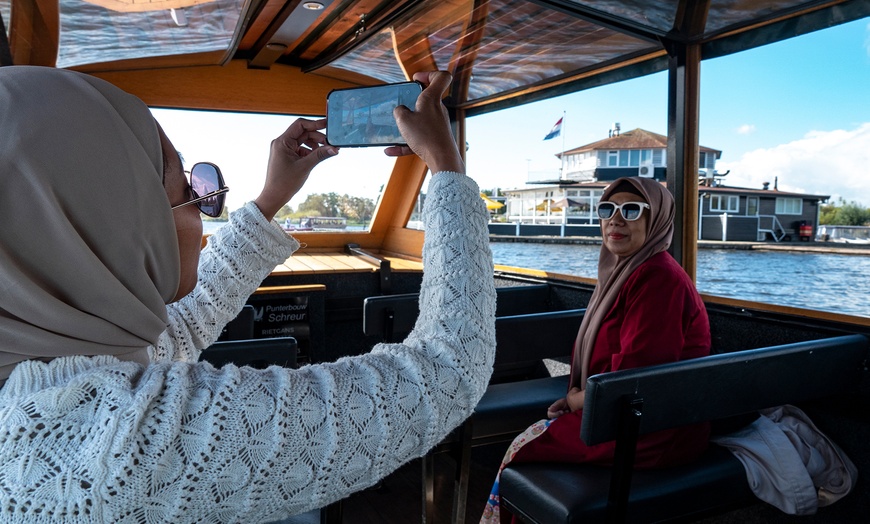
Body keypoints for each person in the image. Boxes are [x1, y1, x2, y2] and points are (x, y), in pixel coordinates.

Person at [0, 67, 497, 522]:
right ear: (113, 222)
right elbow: (446, 372)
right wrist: (447, 169)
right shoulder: (129, 443)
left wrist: (270, 198)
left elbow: (185, 325)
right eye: (189, 191)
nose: (203, 214)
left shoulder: (38, 372)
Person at [481, 176, 712, 523]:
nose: (616, 219)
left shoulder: (658, 279)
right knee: (526, 443)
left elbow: (631, 382)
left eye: (632, 210)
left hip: (652, 429)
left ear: (657, 220)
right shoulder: (625, 272)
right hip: (623, 415)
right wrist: (575, 400)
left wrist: (576, 401)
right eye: (607, 209)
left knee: (520, 449)